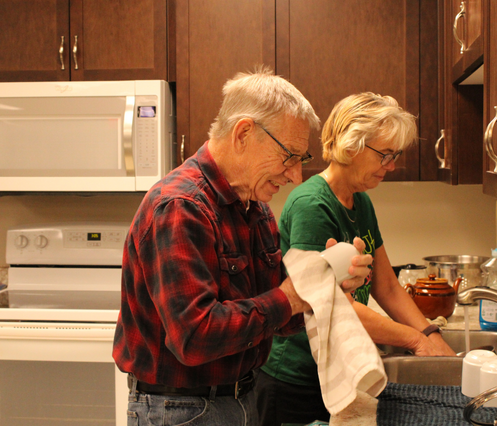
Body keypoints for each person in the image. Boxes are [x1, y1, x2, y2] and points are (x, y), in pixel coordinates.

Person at [112, 68, 373, 426]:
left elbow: (276, 317)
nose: (296, 175)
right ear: (244, 134)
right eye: (290, 156)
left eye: (301, 159)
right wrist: (290, 298)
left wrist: (326, 284)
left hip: (242, 400)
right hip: (180, 411)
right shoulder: (180, 208)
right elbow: (194, 336)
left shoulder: (255, 208)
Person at [255, 92, 457, 426]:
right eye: (385, 154)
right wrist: (414, 340)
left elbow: (387, 286)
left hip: (335, 369)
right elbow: (334, 304)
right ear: (352, 145)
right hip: (296, 378)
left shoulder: (359, 201)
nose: (391, 165)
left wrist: (430, 332)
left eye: (395, 155)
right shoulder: (311, 205)